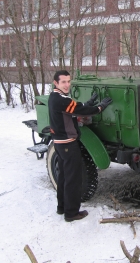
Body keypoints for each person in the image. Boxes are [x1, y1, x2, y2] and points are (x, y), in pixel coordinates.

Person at [48, 70, 112, 222]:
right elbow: (79, 110)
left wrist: (89, 102)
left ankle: (62, 207)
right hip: (68, 145)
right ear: (55, 83)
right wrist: (99, 107)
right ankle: (71, 213)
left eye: (69, 81)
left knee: (64, 177)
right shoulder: (60, 100)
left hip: (59, 144)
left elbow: (74, 107)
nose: (67, 85)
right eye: (63, 82)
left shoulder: (55, 97)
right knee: (73, 180)